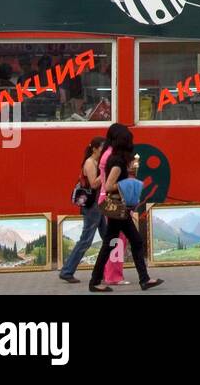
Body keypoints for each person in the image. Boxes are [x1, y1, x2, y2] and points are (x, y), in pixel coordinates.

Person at [89, 123, 162, 292]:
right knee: (122, 242)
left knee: (128, 241)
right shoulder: (117, 162)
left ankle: (143, 279)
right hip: (117, 208)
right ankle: (96, 281)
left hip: (118, 209)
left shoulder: (115, 158)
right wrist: (128, 183)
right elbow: (108, 186)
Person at [59, 136, 105, 284]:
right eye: (102, 147)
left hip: (100, 205)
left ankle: (106, 271)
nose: (104, 150)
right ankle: (67, 271)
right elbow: (93, 184)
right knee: (86, 240)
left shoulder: (98, 162)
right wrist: (105, 173)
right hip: (93, 207)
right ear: (95, 148)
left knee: (108, 237)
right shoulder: (90, 163)